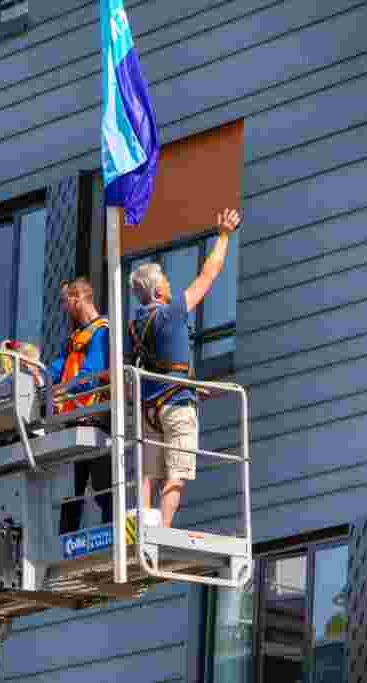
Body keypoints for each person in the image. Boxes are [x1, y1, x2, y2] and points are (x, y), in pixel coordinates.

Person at [128, 208, 241, 528]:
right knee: (176, 474)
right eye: (164, 279)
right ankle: (162, 531)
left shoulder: (134, 325)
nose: (168, 282)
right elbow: (210, 274)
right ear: (158, 291)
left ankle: (141, 529)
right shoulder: (171, 312)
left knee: (148, 474)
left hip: (149, 406)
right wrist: (223, 235)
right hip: (177, 406)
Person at [46, 277, 113, 533]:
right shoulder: (75, 338)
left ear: (78, 299)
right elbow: (57, 368)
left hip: (95, 421)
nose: (64, 308)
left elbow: (91, 373)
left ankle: (111, 536)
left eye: (65, 302)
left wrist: (62, 390)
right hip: (74, 421)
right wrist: (36, 374)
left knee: (103, 489)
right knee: (69, 495)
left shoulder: (102, 332)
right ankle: (65, 541)